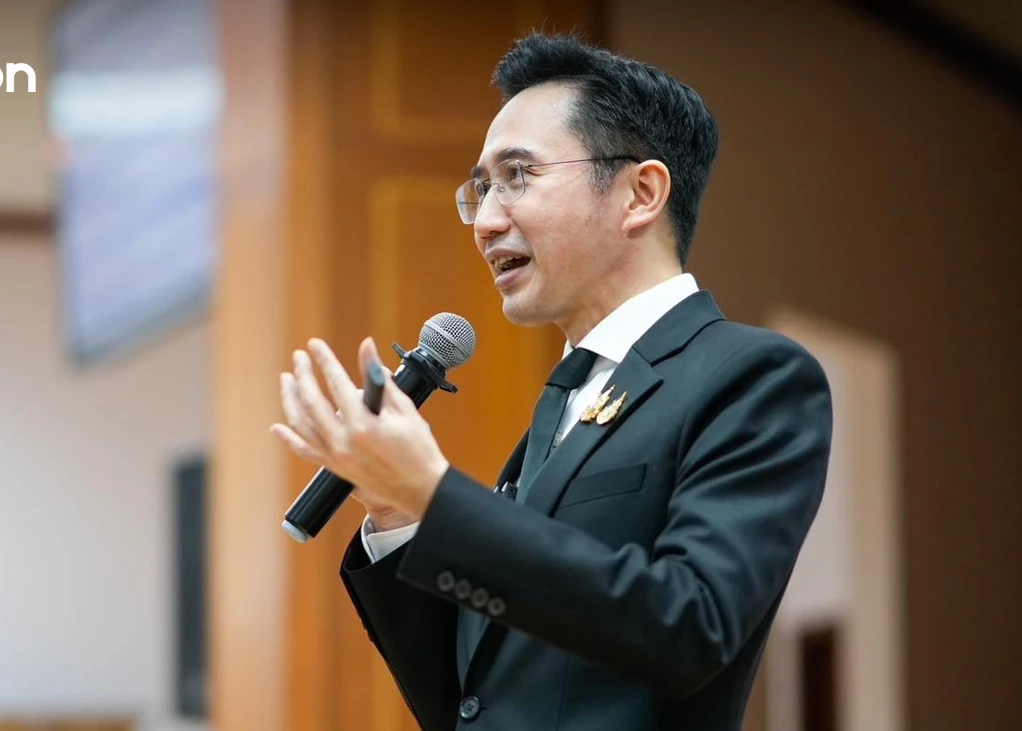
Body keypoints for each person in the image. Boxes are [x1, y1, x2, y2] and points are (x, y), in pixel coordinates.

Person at [270, 32, 832, 731]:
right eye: (481, 189)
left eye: (517, 176)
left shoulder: (753, 377)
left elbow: (691, 626)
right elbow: (471, 702)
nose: (486, 220)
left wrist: (436, 495)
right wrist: (397, 512)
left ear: (641, 194)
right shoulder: (565, 398)